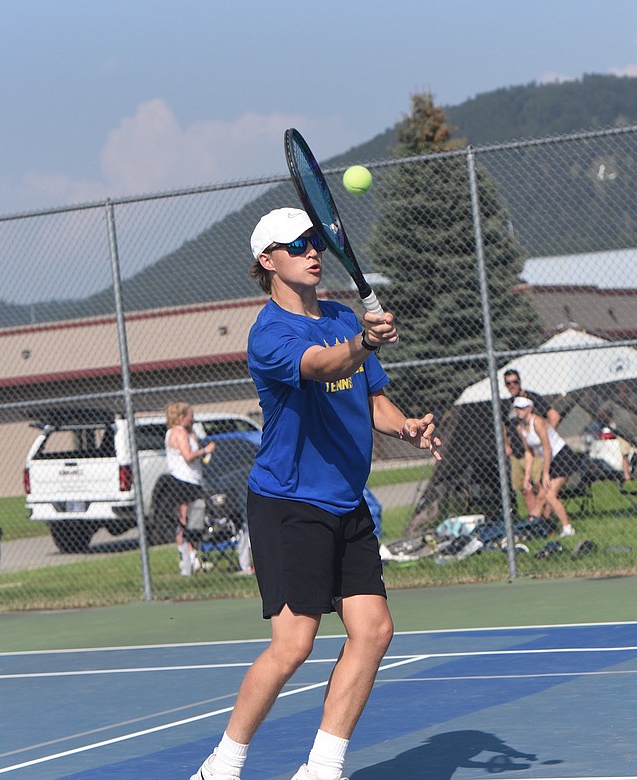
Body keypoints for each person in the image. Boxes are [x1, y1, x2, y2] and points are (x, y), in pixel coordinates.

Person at [190, 207, 442, 780]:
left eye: (315, 241)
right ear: (266, 261)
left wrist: (406, 427)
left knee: (375, 630)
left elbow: (372, 399)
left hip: (346, 501)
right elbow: (325, 366)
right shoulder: (270, 335)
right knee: (294, 645)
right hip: (289, 503)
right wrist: (364, 341)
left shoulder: (338, 316)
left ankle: (322, 768)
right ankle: (222, 766)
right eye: (297, 244)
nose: (313, 250)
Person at [512, 395, 576, 537]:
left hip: (562, 457)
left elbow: (548, 449)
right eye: (517, 409)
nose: (519, 412)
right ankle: (531, 526)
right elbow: (528, 453)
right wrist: (527, 478)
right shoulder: (520, 428)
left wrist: (545, 473)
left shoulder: (538, 422)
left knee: (550, 495)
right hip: (550, 460)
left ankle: (568, 528)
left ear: (529, 409)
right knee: (540, 497)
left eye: (522, 408)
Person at [164, 401, 215, 576]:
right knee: (185, 520)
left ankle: (193, 556)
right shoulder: (177, 432)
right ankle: (188, 559)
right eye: (190, 416)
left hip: (194, 480)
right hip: (182, 481)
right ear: (181, 417)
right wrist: (205, 450)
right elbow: (188, 456)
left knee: (196, 518)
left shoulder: (188, 431)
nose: (192, 419)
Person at [501, 369, 550, 519]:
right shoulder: (508, 404)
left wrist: (545, 439)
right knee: (525, 489)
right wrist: (506, 445)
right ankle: (533, 520)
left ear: (520, 381)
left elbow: (553, 416)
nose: (512, 385)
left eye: (515, 382)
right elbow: (504, 426)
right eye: (508, 383)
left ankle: (547, 520)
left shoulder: (531, 398)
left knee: (540, 486)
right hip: (517, 453)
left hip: (534, 453)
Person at [597, 382, 637, 482]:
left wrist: (626, 401)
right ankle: (627, 476)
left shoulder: (634, 397)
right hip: (622, 432)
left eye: (625, 386)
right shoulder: (612, 401)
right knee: (625, 455)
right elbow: (600, 412)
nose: (624, 388)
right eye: (621, 386)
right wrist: (610, 419)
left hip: (635, 430)